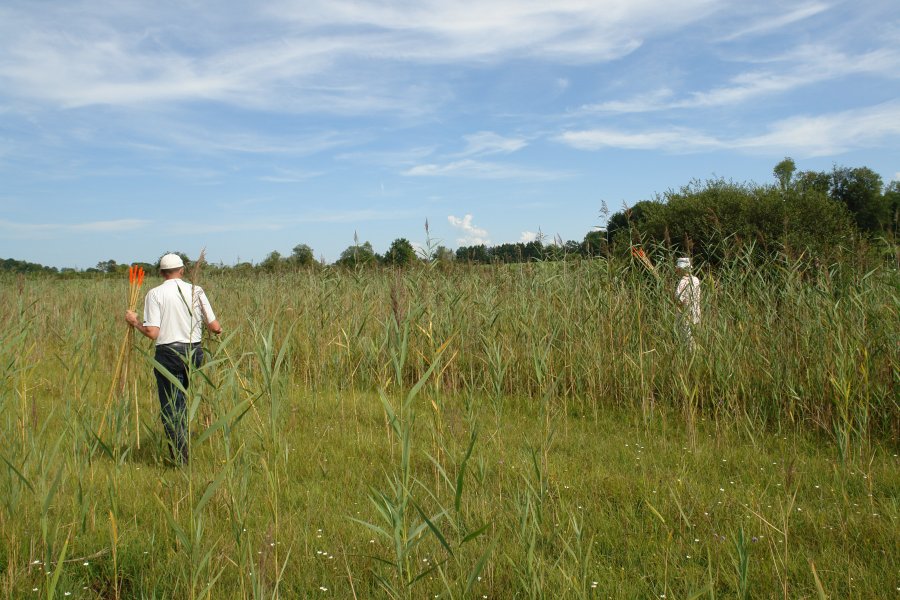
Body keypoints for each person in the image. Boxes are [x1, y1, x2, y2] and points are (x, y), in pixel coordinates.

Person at [124, 253, 222, 464]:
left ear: (161, 273)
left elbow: (152, 332)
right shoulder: (197, 290)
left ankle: (180, 459)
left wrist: (134, 322)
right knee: (181, 402)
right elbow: (216, 328)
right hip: (194, 353)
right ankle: (182, 451)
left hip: (168, 354)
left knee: (171, 407)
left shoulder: (155, 293)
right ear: (182, 270)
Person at [674, 257, 701, 349]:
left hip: (684, 315)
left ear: (682, 269)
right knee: (694, 340)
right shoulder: (696, 280)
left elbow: (679, 301)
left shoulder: (682, 282)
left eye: (677, 268)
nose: (676, 270)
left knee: (686, 341)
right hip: (696, 314)